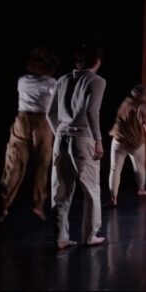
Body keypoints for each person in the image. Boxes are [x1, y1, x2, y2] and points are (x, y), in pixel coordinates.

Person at [48, 45, 106, 248]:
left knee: (60, 190)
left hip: (61, 139)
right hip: (82, 139)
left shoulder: (62, 80)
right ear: (97, 61)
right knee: (91, 189)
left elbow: (50, 114)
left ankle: (60, 237)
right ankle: (90, 236)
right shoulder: (97, 81)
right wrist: (98, 139)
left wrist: (60, 135)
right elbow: (92, 112)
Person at [0, 47, 58, 223]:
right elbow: (55, 105)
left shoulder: (22, 80)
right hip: (42, 122)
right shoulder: (51, 83)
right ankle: (38, 204)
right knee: (42, 163)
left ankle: (3, 206)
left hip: (22, 119)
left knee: (14, 162)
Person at [107, 84, 146, 206]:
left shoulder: (126, 102)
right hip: (135, 142)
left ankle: (113, 198)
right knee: (139, 167)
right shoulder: (144, 105)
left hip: (119, 139)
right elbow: (143, 119)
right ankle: (141, 189)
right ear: (144, 95)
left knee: (115, 169)